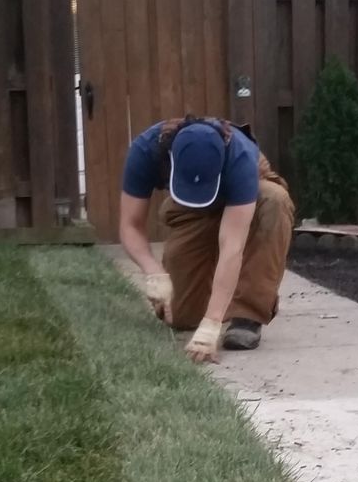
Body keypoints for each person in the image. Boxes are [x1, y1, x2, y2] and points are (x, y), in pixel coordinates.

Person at [118, 115, 295, 362]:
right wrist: (153, 270)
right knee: (181, 316)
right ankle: (215, 293)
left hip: (247, 194)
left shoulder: (240, 157)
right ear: (171, 159)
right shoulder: (145, 151)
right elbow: (130, 225)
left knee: (274, 201)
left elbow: (232, 245)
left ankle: (248, 313)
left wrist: (211, 325)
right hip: (190, 211)